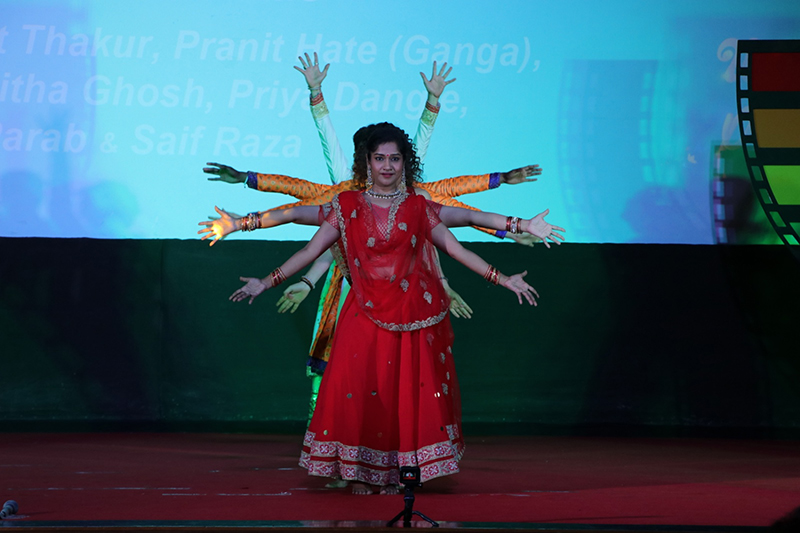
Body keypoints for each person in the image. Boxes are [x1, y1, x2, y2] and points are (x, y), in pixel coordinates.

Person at [198, 122, 564, 495]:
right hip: (363, 313)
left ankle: (397, 474)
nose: (387, 166)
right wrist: (262, 273)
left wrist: (515, 244)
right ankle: (359, 471)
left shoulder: (419, 206)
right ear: (367, 163)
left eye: (394, 159)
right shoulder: (345, 205)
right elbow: (304, 236)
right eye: (379, 158)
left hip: (411, 316)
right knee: (357, 391)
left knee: (401, 397)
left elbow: (465, 230)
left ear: (405, 163)